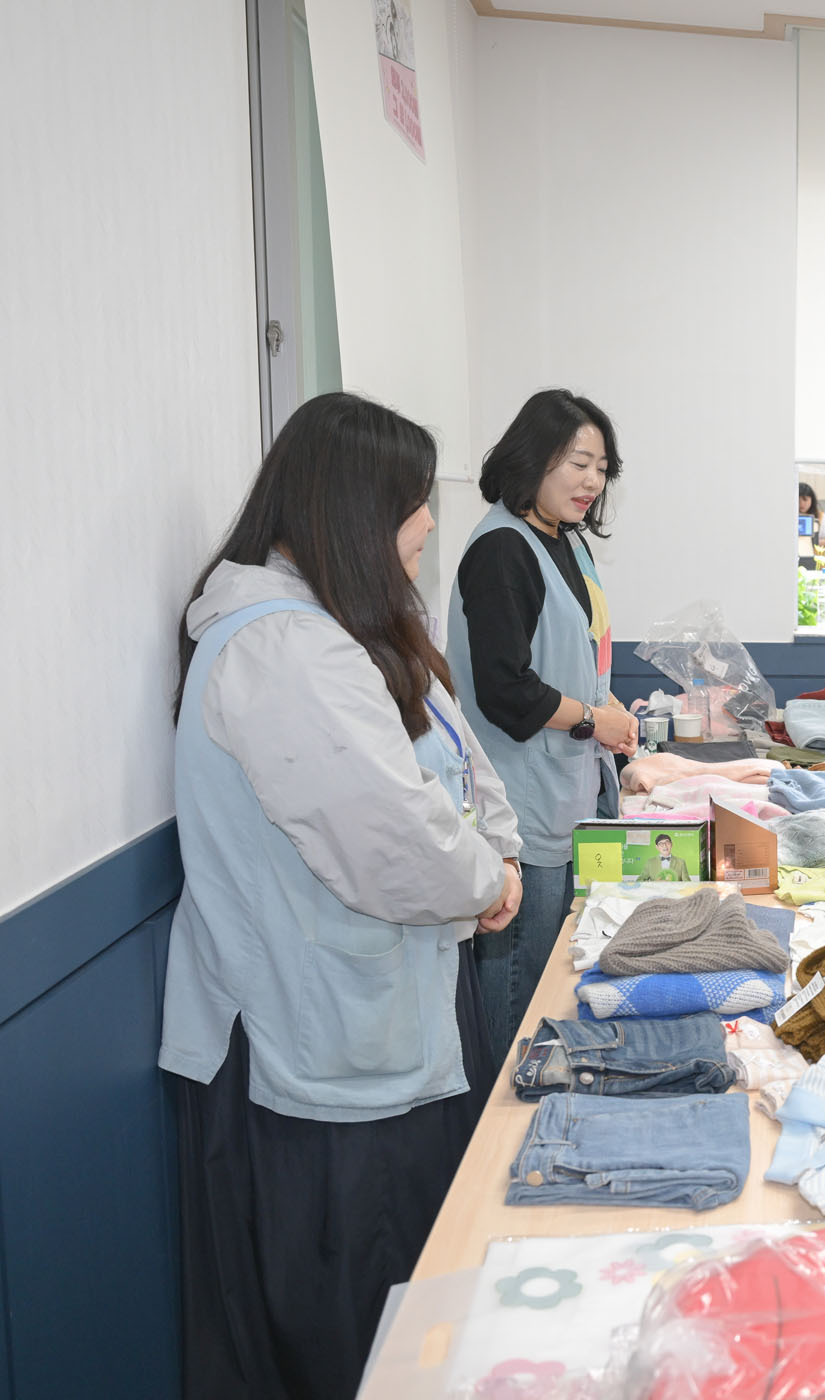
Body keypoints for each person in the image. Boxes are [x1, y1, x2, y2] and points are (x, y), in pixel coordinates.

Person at [161, 392, 525, 1400]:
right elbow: (391, 839)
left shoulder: (356, 631)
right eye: (415, 502)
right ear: (354, 509)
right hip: (320, 1050)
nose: (428, 525)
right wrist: (488, 878)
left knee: (414, 1304)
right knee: (362, 1330)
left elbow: (462, 763)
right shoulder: (282, 649)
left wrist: (497, 857)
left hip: (383, 1022)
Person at [448, 389, 639, 1066]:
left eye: (602, 469)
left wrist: (613, 714)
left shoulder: (566, 543)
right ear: (531, 459)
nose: (592, 482)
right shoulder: (502, 549)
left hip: (566, 792)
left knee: (552, 974)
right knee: (518, 991)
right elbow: (506, 689)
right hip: (521, 805)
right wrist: (594, 719)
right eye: (578, 463)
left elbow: (578, 655)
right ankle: (502, 1118)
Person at [799, 481, 825, 566]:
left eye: (805, 500)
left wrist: (810, 541)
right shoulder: (789, 518)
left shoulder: (822, 518)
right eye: (798, 500)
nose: (801, 504)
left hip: (817, 564)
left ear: (812, 500)